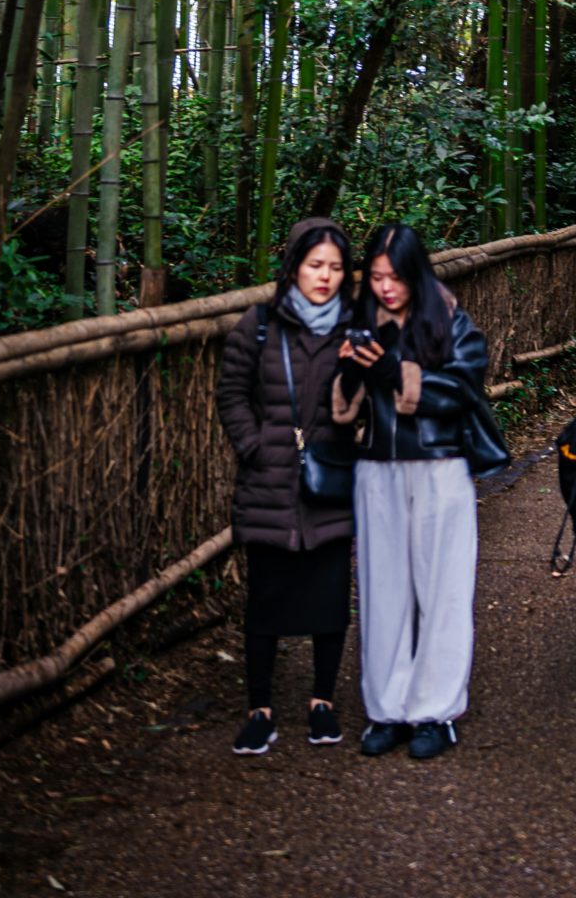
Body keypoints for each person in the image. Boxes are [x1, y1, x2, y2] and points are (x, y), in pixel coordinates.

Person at [331, 222, 487, 760]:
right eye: (375, 277)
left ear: (415, 273)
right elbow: (343, 405)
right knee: (382, 589)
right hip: (377, 468)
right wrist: (349, 373)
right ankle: (387, 708)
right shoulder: (360, 322)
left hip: (440, 468)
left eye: (395, 277)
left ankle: (435, 712)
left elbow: (466, 389)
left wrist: (398, 370)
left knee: (443, 590)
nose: (385, 288)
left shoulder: (449, 319)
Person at [217, 216, 358, 756]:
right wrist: (255, 446)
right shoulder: (258, 324)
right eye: (315, 265)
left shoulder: (353, 326)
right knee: (267, 601)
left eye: (336, 267)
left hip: (330, 477)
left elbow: (362, 401)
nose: (325, 276)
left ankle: (322, 703)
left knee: (329, 598)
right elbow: (231, 394)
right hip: (270, 479)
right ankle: (261, 710)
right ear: (294, 265)